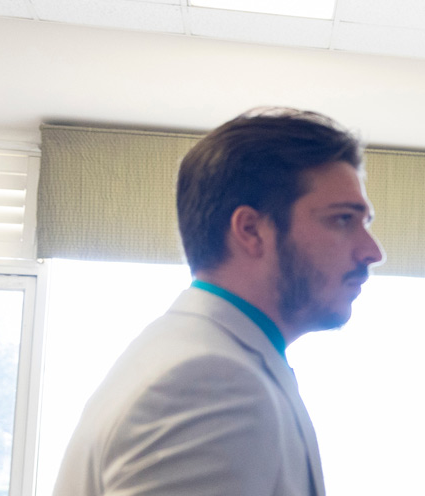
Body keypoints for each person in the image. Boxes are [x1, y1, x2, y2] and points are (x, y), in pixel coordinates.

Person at [54, 107, 384, 496]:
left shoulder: (196, 355)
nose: (372, 251)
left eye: (365, 223)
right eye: (343, 219)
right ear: (250, 230)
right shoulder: (210, 382)